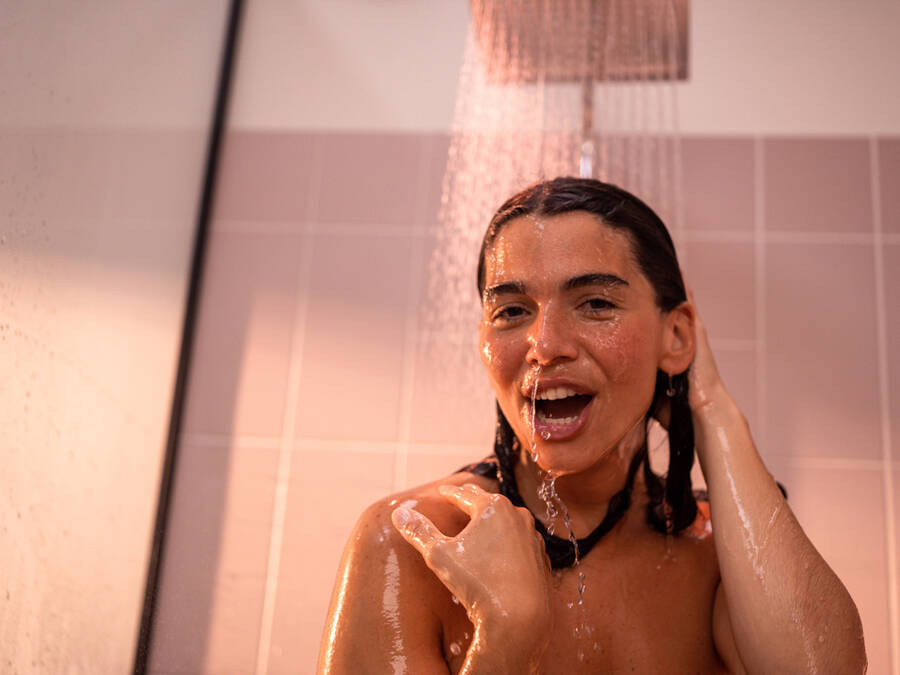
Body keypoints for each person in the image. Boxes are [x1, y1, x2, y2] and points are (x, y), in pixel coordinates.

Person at [317, 177, 866, 673]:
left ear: (676, 337)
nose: (546, 346)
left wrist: (713, 409)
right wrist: (504, 645)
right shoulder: (418, 542)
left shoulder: (716, 551)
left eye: (595, 303)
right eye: (512, 311)